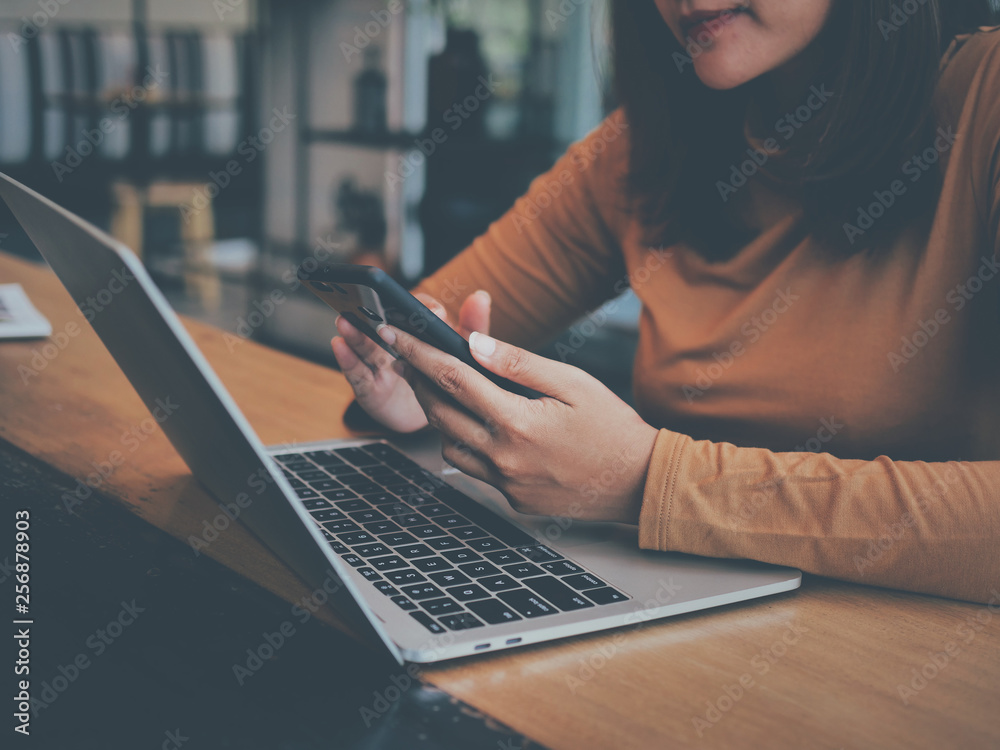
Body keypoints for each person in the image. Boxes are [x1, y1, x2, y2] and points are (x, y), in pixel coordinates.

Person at [330, 1, 1000, 605]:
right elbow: (432, 318)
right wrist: (414, 385)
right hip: (672, 642)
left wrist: (651, 482)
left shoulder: (984, 98)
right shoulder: (644, 147)